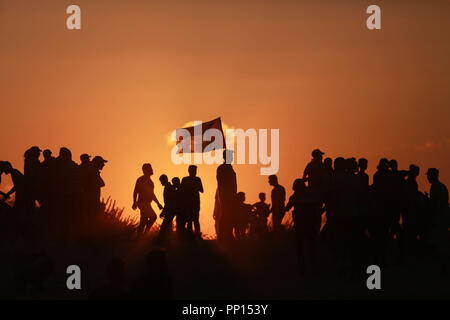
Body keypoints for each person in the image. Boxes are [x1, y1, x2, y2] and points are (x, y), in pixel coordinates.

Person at [286, 179, 321, 274]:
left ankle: (303, 269)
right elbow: (317, 209)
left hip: (300, 225)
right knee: (311, 247)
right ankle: (313, 268)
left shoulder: (295, 196)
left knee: (300, 248)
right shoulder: (311, 195)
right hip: (310, 225)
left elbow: (287, 208)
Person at [426, 168, 450, 272]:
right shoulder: (443, 186)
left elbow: (434, 204)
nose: (427, 177)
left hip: (439, 217)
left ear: (433, 176)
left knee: (439, 242)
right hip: (445, 216)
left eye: (429, 175)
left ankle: (443, 265)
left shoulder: (435, 187)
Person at [133, 163, 163, 237]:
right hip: (143, 203)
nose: (152, 170)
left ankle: (140, 236)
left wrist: (158, 203)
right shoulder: (141, 179)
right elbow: (135, 191)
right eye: (150, 168)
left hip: (145, 203)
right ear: (146, 170)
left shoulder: (149, 181)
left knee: (144, 219)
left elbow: (151, 194)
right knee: (153, 217)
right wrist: (134, 202)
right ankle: (144, 234)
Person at [216, 150, 237, 241]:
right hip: (225, 196)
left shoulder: (229, 168)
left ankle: (228, 234)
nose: (232, 157)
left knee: (231, 215)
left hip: (231, 196)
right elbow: (221, 183)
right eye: (230, 156)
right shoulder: (222, 168)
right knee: (225, 215)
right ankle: (221, 235)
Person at [181, 165, 203, 236]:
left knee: (192, 220)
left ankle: (194, 236)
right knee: (193, 220)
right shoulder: (196, 179)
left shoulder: (186, 179)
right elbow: (201, 190)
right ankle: (194, 236)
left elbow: (202, 190)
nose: (195, 172)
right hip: (190, 203)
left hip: (192, 203)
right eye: (194, 171)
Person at [158, 174, 176, 241]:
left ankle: (160, 240)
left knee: (164, 226)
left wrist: (163, 212)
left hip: (170, 209)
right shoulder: (170, 187)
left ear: (164, 180)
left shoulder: (168, 188)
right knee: (168, 225)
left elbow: (168, 201)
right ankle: (170, 240)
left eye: (161, 181)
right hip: (171, 209)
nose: (161, 183)